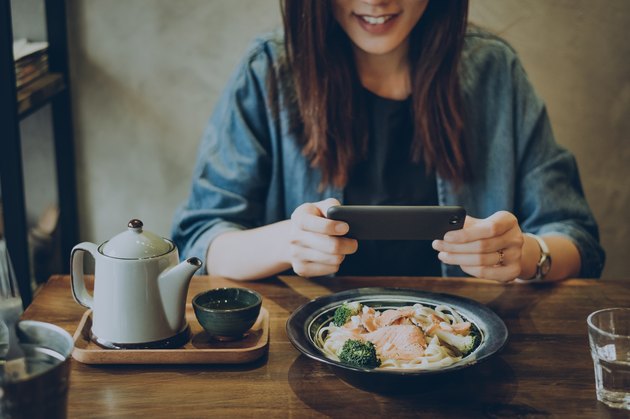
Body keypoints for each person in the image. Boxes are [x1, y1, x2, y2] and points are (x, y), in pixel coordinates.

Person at [171, 0, 604, 283]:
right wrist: (287, 242)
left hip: (465, 351)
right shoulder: (269, 69)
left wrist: (525, 254)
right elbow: (199, 241)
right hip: (303, 350)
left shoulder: (495, 72)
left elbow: (577, 238)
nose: (377, 1)